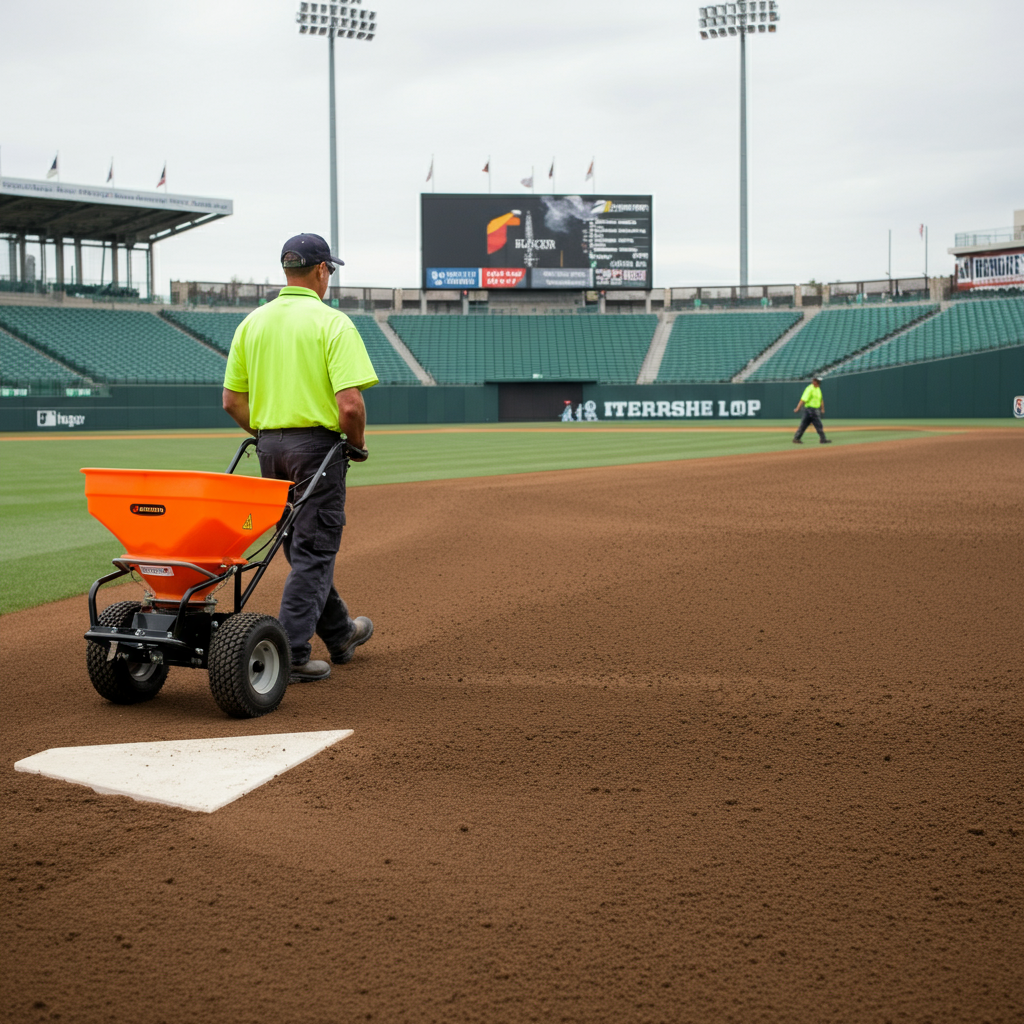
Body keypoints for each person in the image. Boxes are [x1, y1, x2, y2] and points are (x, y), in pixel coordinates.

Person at [222, 233, 379, 682]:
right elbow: (350, 405)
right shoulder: (332, 323)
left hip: (269, 447)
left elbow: (232, 401)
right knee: (313, 549)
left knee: (300, 546)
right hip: (318, 449)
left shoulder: (251, 324)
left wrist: (271, 432)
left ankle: (341, 632)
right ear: (321, 270)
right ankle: (290, 652)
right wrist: (358, 443)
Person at [792, 375, 832, 444]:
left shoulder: (818, 389)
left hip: (815, 410)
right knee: (814, 425)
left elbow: (821, 400)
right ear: (814, 381)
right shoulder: (809, 389)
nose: (819, 383)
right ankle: (822, 439)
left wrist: (822, 408)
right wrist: (797, 408)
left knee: (806, 425)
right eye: (817, 381)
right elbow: (803, 399)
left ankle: (797, 438)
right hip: (809, 410)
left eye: (819, 382)